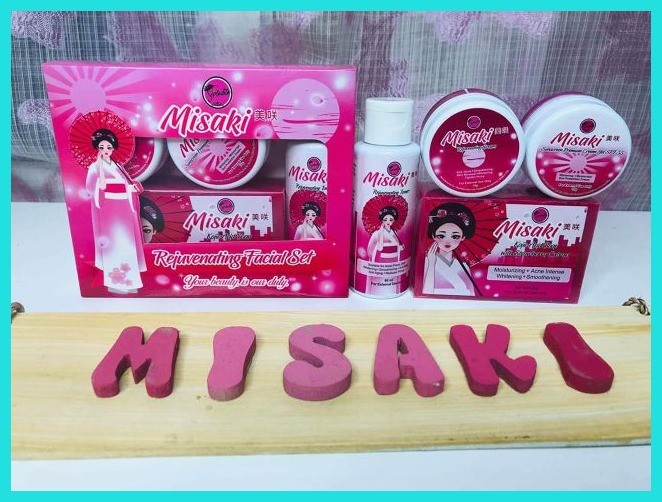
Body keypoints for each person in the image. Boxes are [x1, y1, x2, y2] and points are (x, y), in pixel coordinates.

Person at [86, 128, 146, 294]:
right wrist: (99, 167)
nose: (105, 150)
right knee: (114, 244)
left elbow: (126, 184)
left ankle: (130, 282)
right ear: (97, 148)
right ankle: (115, 284)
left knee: (127, 243)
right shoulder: (94, 167)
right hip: (109, 210)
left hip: (124, 207)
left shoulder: (117, 165)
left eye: (109, 147)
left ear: (113, 148)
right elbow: (96, 187)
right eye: (102, 147)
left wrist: (132, 188)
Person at [422, 202, 476, 296]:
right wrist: (431, 264)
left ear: (463, 237)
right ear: (433, 236)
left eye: (455, 236)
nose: (448, 241)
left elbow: (471, 294)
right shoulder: (427, 261)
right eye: (441, 236)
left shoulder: (463, 266)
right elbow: (426, 292)